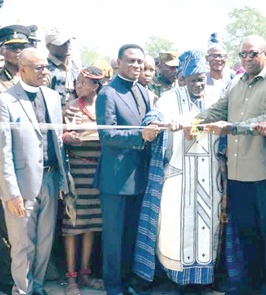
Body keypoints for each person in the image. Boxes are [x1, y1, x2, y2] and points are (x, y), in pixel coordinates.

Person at [186, 35, 266, 294]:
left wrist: (231, 128)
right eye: (243, 54)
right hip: (239, 173)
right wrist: (195, 122)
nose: (247, 59)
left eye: (253, 54)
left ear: (265, 54)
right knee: (246, 232)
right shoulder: (236, 83)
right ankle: (251, 284)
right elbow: (219, 109)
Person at [133, 50, 224, 294]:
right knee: (176, 230)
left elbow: (230, 121)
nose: (198, 83)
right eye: (192, 78)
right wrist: (158, 124)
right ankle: (179, 280)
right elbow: (153, 117)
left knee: (209, 226)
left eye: (201, 78)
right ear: (182, 78)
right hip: (178, 176)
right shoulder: (170, 98)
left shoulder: (217, 95)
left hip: (211, 174)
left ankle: (205, 280)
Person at [0, 47, 70, 295]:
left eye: (46, 66)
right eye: (39, 67)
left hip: (50, 179)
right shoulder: (4, 101)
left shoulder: (52, 97)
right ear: (22, 69)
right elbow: (2, 151)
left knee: (45, 241)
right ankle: (22, 290)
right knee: (23, 244)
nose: (45, 71)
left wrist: (62, 183)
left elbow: (57, 141)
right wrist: (11, 192)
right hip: (21, 184)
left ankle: (37, 286)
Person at [95, 43, 152, 295]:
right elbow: (108, 135)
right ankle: (113, 286)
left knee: (131, 235)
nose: (137, 66)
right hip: (115, 179)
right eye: (131, 61)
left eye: (140, 62)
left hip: (139, 175)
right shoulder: (108, 93)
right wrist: (142, 135)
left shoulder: (141, 90)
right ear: (118, 62)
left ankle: (127, 281)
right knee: (114, 238)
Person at [0, 24, 33, 293]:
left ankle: (27, 278)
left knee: (31, 224)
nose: (18, 51)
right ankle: (5, 278)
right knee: (4, 225)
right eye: (12, 47)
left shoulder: (36, 79)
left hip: (33, 161)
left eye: (22, 46)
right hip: (4, 161)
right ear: (3, 50)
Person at [61, 66, 105, 295]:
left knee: (91, 225)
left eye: (84, 83)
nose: (79, 87)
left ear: (96, 86)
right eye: (77, 82)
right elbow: (60, 134)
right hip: (76, 171)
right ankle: (71, 279)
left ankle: (86, 273)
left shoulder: (104, 106)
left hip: (97, 171)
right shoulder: (69, 107)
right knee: (73, 225)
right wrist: (69, 137)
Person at [44, 26, 80, 107]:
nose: (67, 45)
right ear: (48, 46)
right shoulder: (44, 69)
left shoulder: (76, 68)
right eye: (62, 43)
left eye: (68, 42)